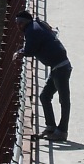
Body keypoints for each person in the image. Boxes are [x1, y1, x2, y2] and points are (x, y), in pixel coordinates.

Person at [12, 10, 72, 141]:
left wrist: (19, 53)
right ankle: (51, 126)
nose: (18, 26)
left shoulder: (32, 30)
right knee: (45, 96)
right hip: (58, 67)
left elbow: (29, 50)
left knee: (64, 100)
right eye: (17, 23)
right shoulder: (35, 26)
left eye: (20, 23)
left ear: (26, 22)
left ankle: (62, 131)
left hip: (61, 68)